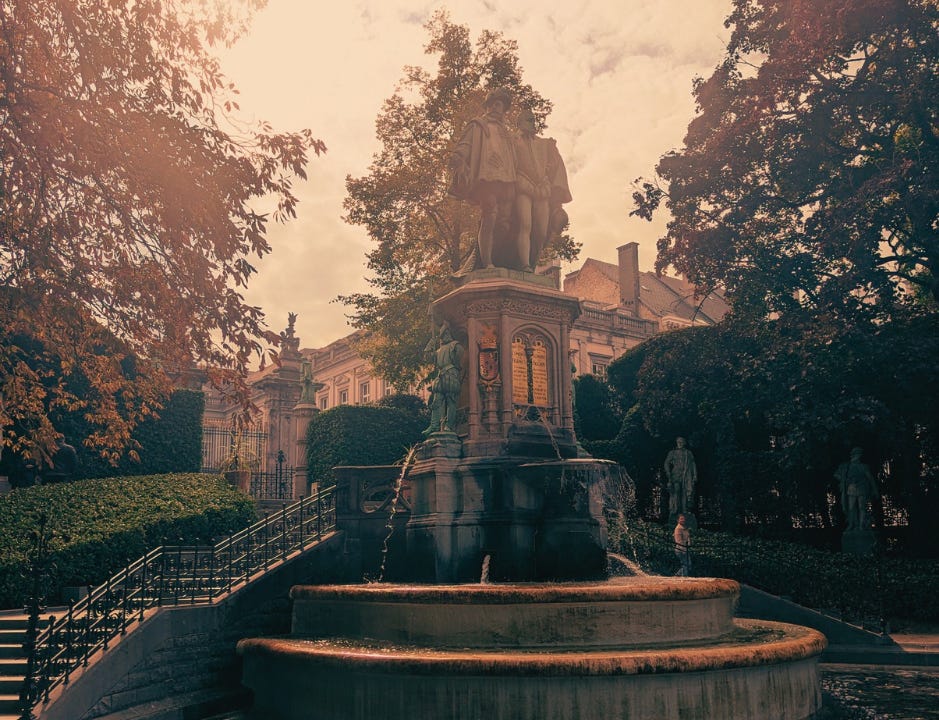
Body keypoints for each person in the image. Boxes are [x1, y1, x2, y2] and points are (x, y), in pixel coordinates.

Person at [449, 88, 517, 269]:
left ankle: (489, 257)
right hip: (486, 177)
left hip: (507, 178)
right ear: (487, 106)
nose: (497, 109)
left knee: (505, 221)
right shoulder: (477, 125)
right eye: (494, 105)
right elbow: (465, 144)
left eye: (500, 106)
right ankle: (487, 262)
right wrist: (459, 157)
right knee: (490, 214)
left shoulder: (506, 132)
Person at [513, 108, 572, 271]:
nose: (533, 123)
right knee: (525, 225)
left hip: (542, 188)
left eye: (534, 120)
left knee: (541, 230)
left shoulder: (544, 144)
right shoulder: (512, 140)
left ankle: (532, 264)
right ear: (519, 123)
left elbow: (554, 165)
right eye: (529, 120)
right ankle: (524, 264)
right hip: (522, 184)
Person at [423, 322, 464, 435]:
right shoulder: (438, 350)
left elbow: (459, 356)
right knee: (436, 401)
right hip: (441, 375)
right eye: (443, 334)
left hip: (451, 373)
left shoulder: (455, 345)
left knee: (451, 400)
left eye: (446, 333)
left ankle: (449, 426)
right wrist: (429, 346)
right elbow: (428, 359)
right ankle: (434, 425)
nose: (445, 336)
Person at [835, 447, 879, 531]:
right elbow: (837, 475)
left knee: (861, 507)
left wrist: (874, 489)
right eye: (857, 454)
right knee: (851, 507)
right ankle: (852, 524)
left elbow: (870, 478)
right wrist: (844, 480)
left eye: (859, 454)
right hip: (851, 487)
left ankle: (861, 525)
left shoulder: (863, 466)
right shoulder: (846, 466)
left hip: (861, 487)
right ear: (853, 455)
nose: (859, 456)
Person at [664, 437, 697, 518]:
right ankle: (675, 509)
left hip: (686, 475)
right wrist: (668, 472)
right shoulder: (672, 452)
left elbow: (693, 464)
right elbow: (666, 463)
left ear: (684, 443)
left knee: (686, 492)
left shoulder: (688, 453)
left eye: (681, 442)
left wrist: (695, 475)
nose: (680, 443)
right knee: (676, 491)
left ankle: (684, 510)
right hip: (676, 474)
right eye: (678, 442)